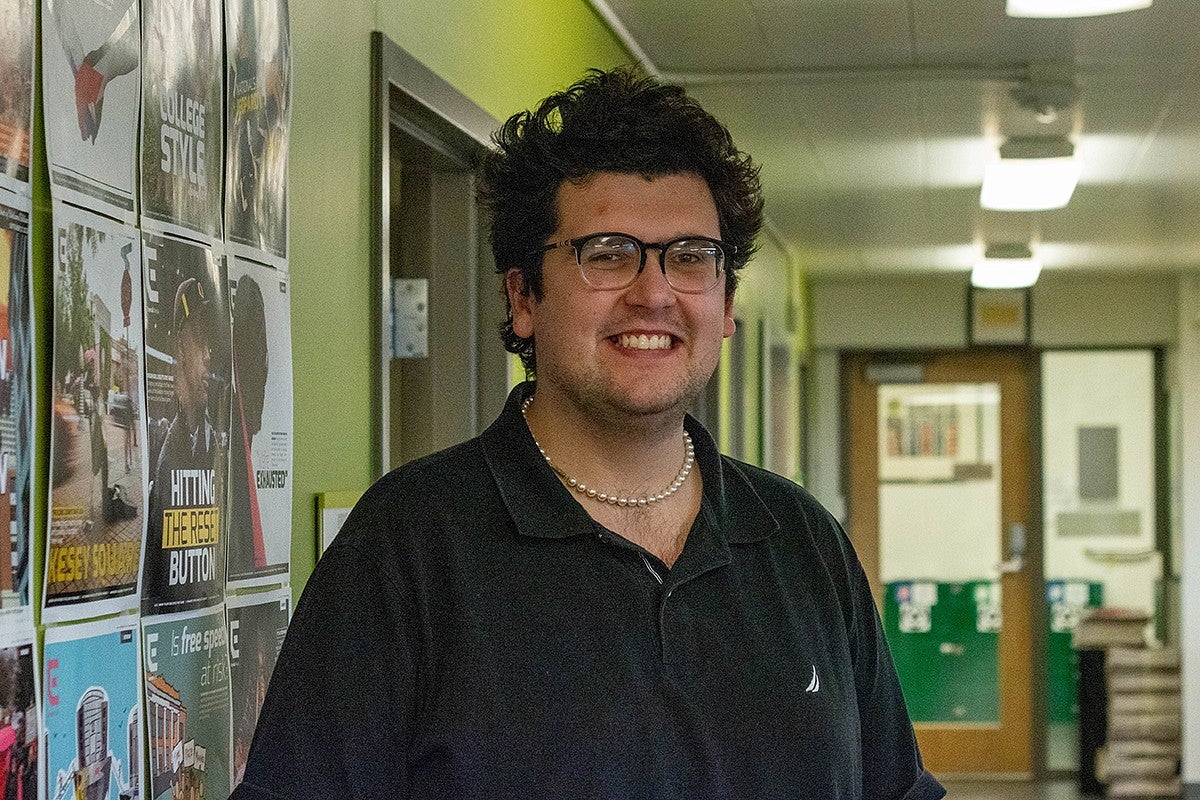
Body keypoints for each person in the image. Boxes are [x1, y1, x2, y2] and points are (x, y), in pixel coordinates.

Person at [233, 67, 945, 799]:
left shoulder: (803, 546)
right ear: (522, 299)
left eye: (692, 257)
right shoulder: (407, 547)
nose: (655, 292)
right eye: (608, 253)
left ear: (727, 305)